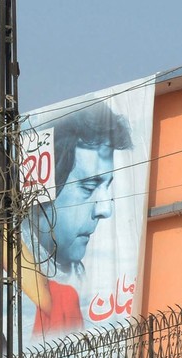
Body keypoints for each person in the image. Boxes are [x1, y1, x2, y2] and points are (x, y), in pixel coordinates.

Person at [24, 101, 133, 285]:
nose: (105, 210)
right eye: (89, 187)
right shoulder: (7, 270)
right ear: (44, 187)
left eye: (107, 187)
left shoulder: (78, 275)